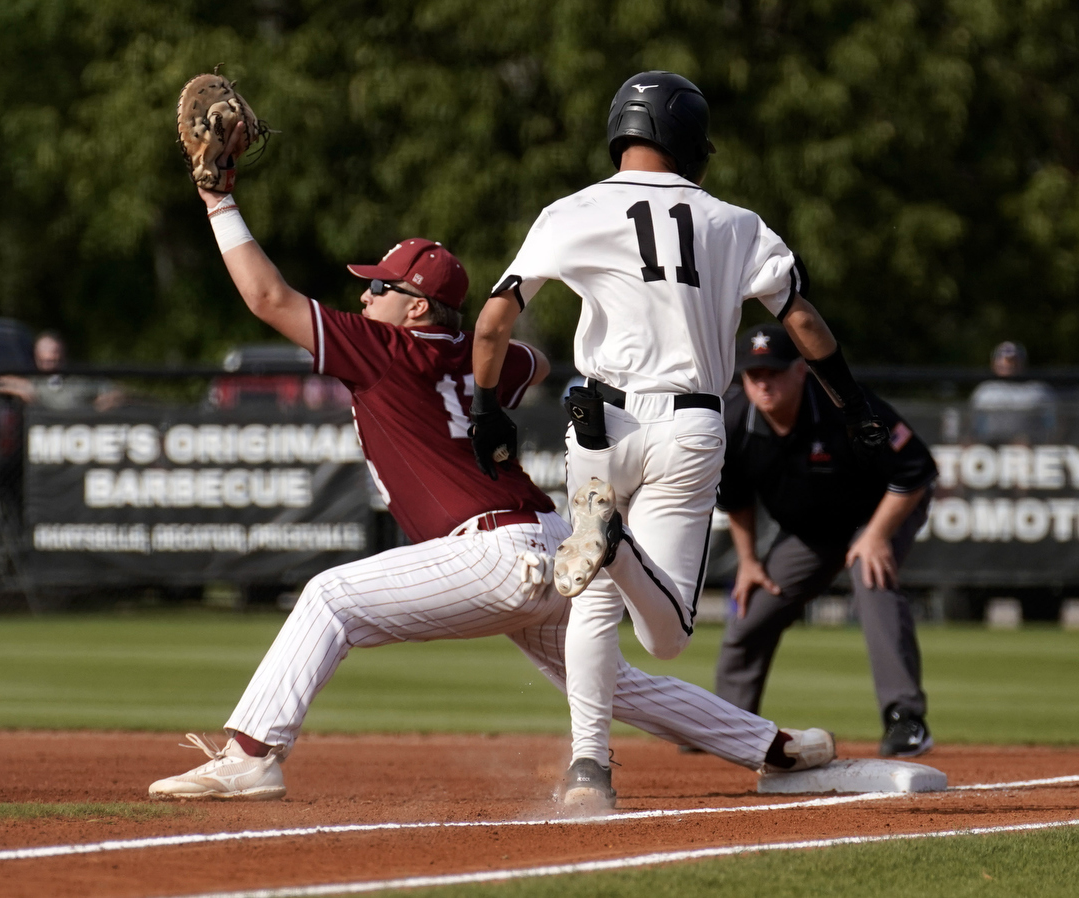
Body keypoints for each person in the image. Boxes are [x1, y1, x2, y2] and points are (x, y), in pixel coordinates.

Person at [147, 139, 835, 805]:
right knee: (607, 681)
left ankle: (250, 757)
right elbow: (527, 361)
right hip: (550, 539)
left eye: (380, 288)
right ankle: (777, 747)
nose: (363, 301)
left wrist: (218, 199)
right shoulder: (486, 365)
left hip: (491, 551)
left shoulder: (383, 350)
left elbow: (269, 298)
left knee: (329, 597)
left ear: (414, 309)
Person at [470, 71, 881, 808]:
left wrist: (483, 407)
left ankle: (588, 773)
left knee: (592, 604)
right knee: (667, 637)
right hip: (688, 424)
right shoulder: (734, 221)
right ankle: (613, 542)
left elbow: (496, 318)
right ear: (691, 143)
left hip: (597, 425)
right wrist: (849, 398)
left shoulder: (572, 209)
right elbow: (801, 320)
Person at [714, 325, 938, 757]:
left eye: (774, 371)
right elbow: (736, 498)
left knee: (871, 576)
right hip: (812, 532)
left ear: (801, 371)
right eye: (753, 373)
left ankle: (906, 720)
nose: (764, 382)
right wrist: (747, 560)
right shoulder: (733, 421)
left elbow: (916, 470)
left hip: (877, 512)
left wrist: (876, 535)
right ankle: (724, 723)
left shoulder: (844, 404)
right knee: (754, 606)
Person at [0, 331, 125, 411]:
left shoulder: (80, 381)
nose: (51, 363)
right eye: (45, 360)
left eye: (55, 356)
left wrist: (99, 407)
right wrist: (23, 390)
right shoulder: (34, 382)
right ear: (36, 357)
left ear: (63, 355)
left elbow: (116, 391)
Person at [968, 341, 1058, 443]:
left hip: (1031, 449)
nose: (1008, 364)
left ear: (1023, 363)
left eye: (1014, 360)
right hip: (992, 447)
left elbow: (1054, 427)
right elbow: (973, 428)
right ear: (994, 363)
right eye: (1003, 359)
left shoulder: (1039, 391)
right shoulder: (984, 391)